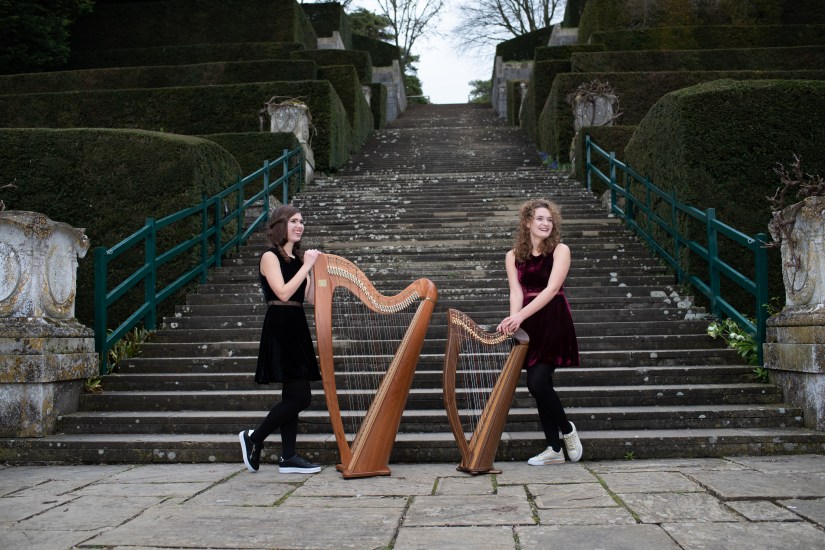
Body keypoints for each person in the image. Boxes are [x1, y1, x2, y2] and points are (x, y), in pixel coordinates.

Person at [497, 199, 583, 465]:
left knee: (536, 383)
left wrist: (521, 314)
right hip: (529, 321)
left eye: (549, 220)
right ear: (527, 223)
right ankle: (554, 450)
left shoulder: (560, 250)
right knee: (541, 386)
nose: (546, 224)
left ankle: (567, 430)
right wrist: (515, 321)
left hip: (553, 318)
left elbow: (551, 289)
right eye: (540, 219)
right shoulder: (513, 255)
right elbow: (516, 292)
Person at [239, 204, 323, 474]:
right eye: (293, 221)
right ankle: (253, 438)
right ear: (280, 226)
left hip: (297, 325)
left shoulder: (299, 261)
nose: (299, 225)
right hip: (280, 325)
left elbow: (309, 298)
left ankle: (288, 457)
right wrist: (306, 266)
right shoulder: (269, 256)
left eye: (301, 221)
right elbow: (283, 293)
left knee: (293, 394)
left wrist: (314, 272)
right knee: (301, 398)